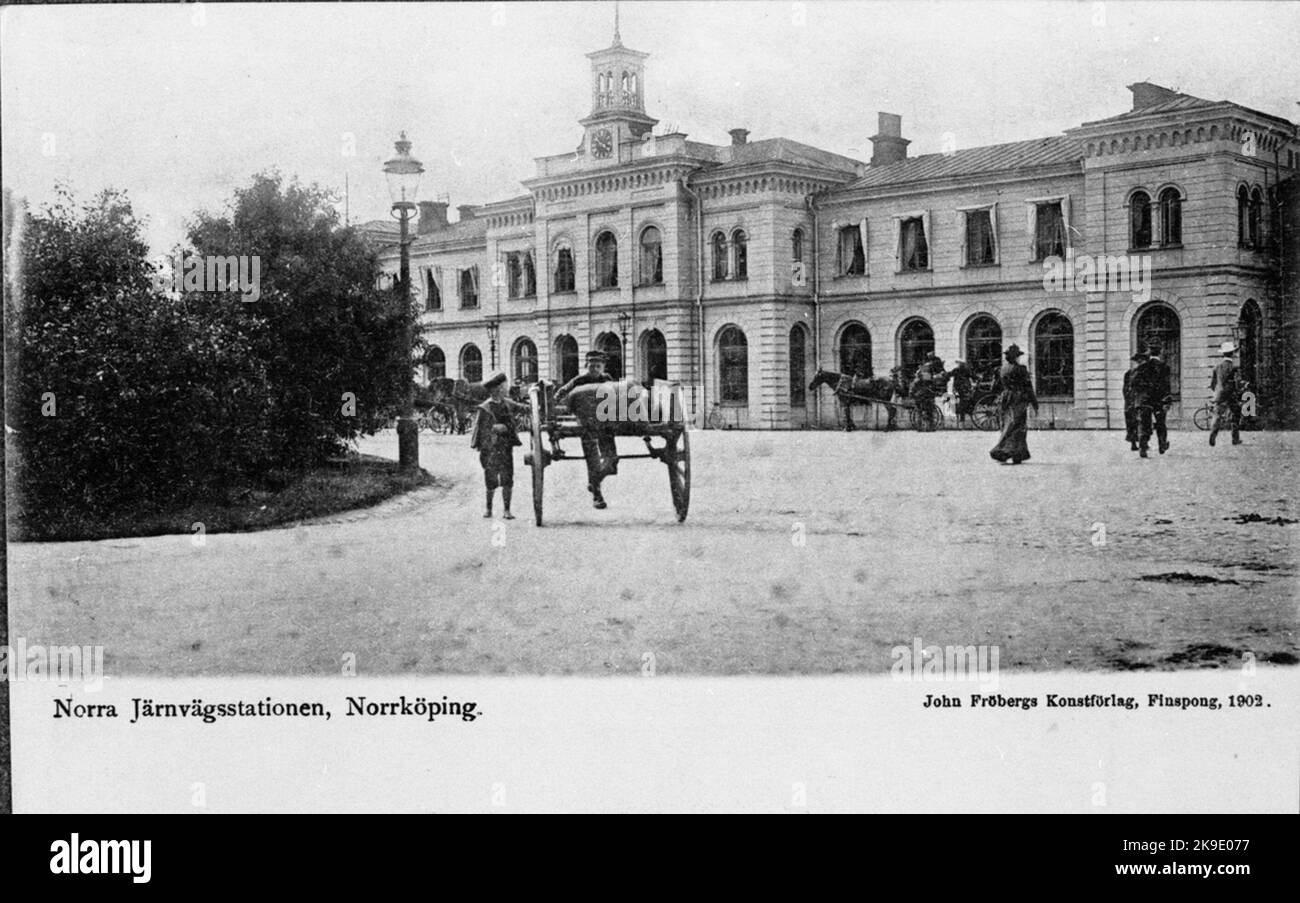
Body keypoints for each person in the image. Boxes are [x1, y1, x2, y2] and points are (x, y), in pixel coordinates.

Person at [556, 350, 619, 509]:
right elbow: (561, 393)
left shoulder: (607, 379)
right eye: (592, 365)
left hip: (605, 425)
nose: (595, 368)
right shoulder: (579, 380)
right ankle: (597, 494)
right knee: (593, 461)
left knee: (612, 461)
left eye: (598, 366)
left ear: (603, 367)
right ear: (586, 366)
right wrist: (561, 403)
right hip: (587, 426)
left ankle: (594, 481)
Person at [469, 370, 527, 519]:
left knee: (507, 478)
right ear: (496, 389)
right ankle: (488, 509)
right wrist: (493, 429)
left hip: (505, 447)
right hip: (490, 450)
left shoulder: (508, 403)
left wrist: (535, 402)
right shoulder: (485, 408)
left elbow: (523, 409)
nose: (505, 389)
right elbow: (479, 430)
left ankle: (507, 510)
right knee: (491, 479)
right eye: (503, 386)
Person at [989, 344, 1038, 464]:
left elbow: (994, 388)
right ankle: (1004, 451)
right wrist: (1034, 403)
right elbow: (1028, 387)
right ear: (1016, 357)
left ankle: (1017, 453)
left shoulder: (1001, 369)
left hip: (1006, 399)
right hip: (1019, 398)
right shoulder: (1021, 369)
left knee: (1008, 424)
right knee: (1018, 426)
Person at [1133, 343, 1172, 457]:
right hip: (1159, 400)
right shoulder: (1165, 367)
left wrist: (1141, 393)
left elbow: (1134, 383)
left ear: (1149, 352)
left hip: (1145, 400)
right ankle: (1162, 444)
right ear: (1160, 352)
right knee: (1161, 423)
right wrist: (1167, 400)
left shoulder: (1142, 367)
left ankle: (1143, 447)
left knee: (1144, 424)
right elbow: (1167, 385)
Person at [1209, 341, 1243, 447]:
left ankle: (1213, 434)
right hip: (1231, 394)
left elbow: (1213, 384)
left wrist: (1217, 391)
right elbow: (1237, 382)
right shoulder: (1234, 367)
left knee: (1217, 415)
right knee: (1236, 415)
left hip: (1220, 395)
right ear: (1232, 353)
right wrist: (1238, 392)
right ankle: (1235, 439)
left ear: (1223, 354)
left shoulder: (1217, 367)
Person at [1122, 347, 1146, 451]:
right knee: (1131, 422)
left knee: (1142, 422)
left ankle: (1142, 443)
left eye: (1141, 360)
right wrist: (1128, 398)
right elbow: (1125, 388)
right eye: (1138, 361)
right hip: (1132, 401)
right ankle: (1133, 443)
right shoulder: (1129, 373)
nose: (1140, 363)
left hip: (1141, 400)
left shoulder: (1146, 373)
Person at [909, 365, 937, 431]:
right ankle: (930, 427)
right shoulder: (924, 381)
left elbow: (911, 392)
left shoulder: (915, 382)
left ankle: (920, 427)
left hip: (920, 399)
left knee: (920, 413)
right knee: (928, 413)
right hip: (925, 399)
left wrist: (913, 396)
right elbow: (929, 389)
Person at [949, 359, 974, 425]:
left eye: (959, 363)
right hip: (965, 388)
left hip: (960, 388)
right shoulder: (966, 370)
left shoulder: (956, 370)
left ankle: (961, 419)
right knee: (963, 401)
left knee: (961, 402)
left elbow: (949, 375)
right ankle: (963, 416)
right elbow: (973, 376)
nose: (958, 364)